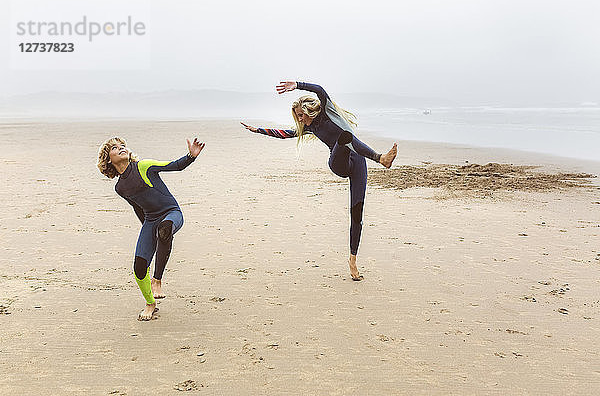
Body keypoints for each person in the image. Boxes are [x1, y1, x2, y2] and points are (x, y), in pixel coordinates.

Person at [241, 81, 397, 280]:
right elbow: (286, 134)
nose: (299, 118)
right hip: (339, 163)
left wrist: (297, 85)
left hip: (358, 162)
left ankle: (353, 261)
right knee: (345, 137)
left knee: (357, 213)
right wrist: (259, 130)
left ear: (309, 110)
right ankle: (380, 158)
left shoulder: (326, 111)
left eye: (301, 114)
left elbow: (320, 90)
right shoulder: (311, 128)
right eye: (297, 116)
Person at [97, 137, 205, 320]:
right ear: (108, 159)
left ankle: (157, 280)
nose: (121, 148)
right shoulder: (120, 187)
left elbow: (175, 165)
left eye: (122, 145)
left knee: (164, 229)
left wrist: (191, 156)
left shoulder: (143, 166)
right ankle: (150, 303)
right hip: (150, 221)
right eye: (115, 148)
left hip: (172, 213)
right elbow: (138, 207)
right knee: (139, 267)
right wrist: (149, 234)